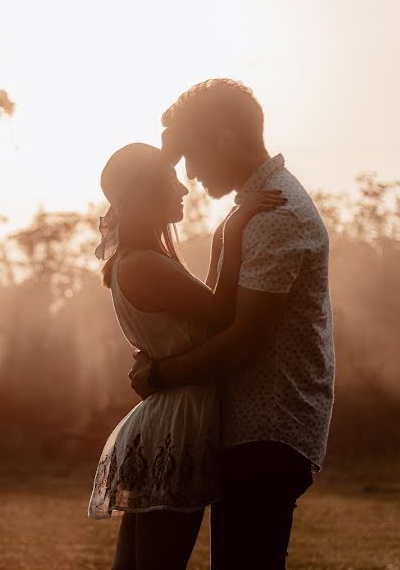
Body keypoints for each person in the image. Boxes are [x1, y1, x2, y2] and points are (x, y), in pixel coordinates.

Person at [130, 78, 336, 570]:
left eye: (192, 158)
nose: (192, 175)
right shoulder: (251, 210)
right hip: (249, 429)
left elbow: (243, 341)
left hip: (268, 433)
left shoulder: (275, 214)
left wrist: (161, 374)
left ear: (224, 139)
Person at [86, 141, 286, 570]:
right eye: (171, 180)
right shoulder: (145, 265)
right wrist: (233, 232)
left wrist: (224, 237)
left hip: (167, 419)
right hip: (177, 429)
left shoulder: (138, 261)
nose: (184, 189)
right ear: (145, 194)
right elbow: (220, 311)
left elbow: (206, 302)